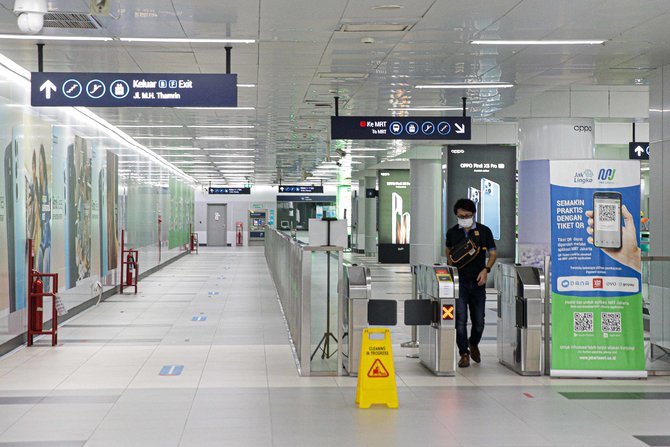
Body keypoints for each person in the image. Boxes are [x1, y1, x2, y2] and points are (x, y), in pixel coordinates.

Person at [445, 198, 497, 368]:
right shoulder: (452, 232)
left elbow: (493, 254)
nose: (464, 218)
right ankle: (464, 353)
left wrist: (486, 270)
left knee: (479, 321)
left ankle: (473, 342)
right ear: (456, 215)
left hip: (478, 282)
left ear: (473, 214)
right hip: (460, 282)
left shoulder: (484, 231)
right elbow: (449, 254)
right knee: (460, 319)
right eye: (461, 215)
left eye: (467, 215)